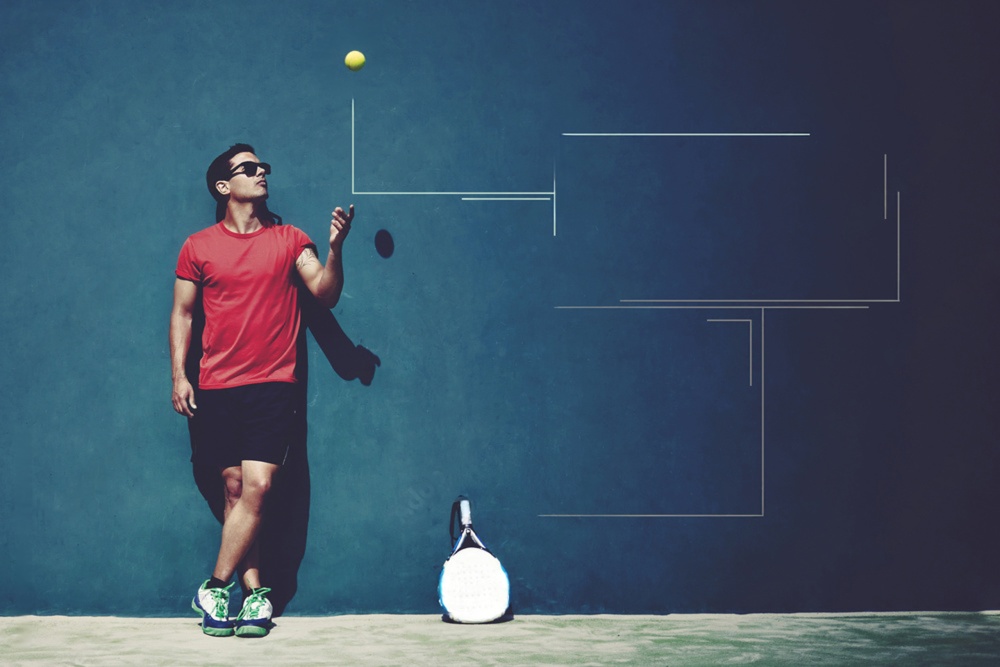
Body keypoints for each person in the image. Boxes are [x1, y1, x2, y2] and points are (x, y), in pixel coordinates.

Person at [169, 143, 353, 637]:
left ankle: (213, 585)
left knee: (260, 486)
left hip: (274, 385)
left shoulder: (291, 239)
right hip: (216, 387)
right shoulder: (198, 246)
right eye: (249, 168)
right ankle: (253, 598)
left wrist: (335, 249)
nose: (261, 173)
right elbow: (183, 314)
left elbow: (324, 293)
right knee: (233, 490)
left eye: (263, 167)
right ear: (223, 186)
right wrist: (179, 376)